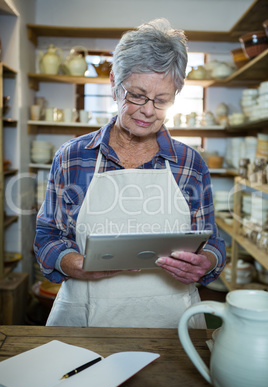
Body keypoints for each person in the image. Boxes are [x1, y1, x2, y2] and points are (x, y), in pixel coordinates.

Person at [34, 18, 226, 328]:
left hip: (172, 325)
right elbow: (46, 238)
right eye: (137, 95)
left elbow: (213, 242)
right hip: (85, 321)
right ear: (113, 83)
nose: (149, 111)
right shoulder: (73, 158)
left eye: (162, 100)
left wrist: (206, 262)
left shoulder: (190, 163)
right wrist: (76, 265)